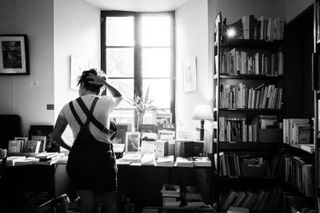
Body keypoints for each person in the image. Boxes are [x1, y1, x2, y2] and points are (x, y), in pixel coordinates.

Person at [50, 68, 122, 213]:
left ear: (81, 85)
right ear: (100, 89)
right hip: (102, 159)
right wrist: (105, 83)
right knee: (110, 202)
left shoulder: (67, 107)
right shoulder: (106, 103)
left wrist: (71, 148)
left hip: (78, 160)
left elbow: (55, 135)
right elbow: (119, 96)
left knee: (87, 202)